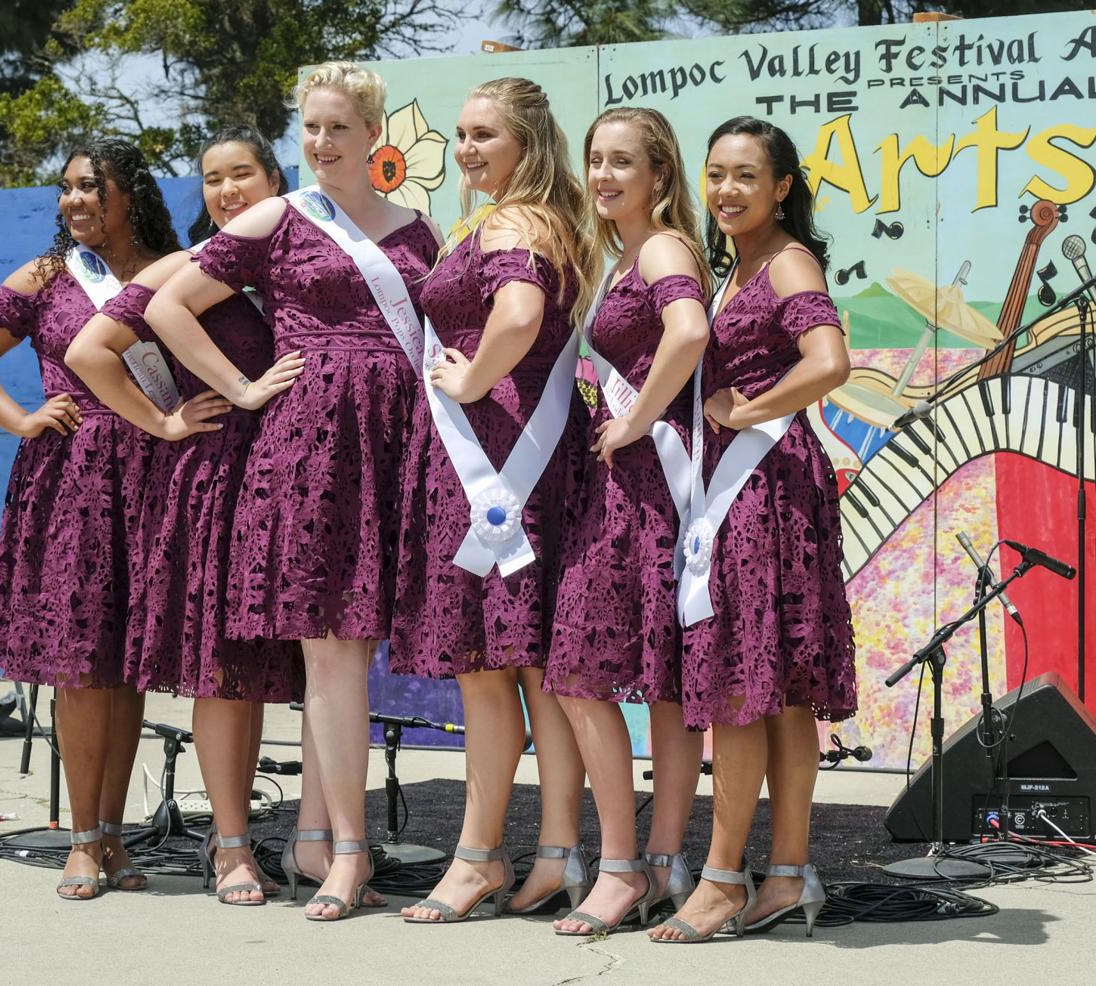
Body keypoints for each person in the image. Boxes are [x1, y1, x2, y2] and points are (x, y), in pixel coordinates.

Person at [145, 62, 441, 921]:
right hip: (310, 445)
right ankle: (349, 852)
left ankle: (315, 837)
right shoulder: (278, 217)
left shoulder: (420, 231)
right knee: (331, 652)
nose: (320, 143)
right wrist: (237, 390)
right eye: (309, 128)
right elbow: (169, 310)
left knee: (350, 655)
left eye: (337, 128)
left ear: (372, 133)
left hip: (395, 444)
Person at [65, 125, 307, 905]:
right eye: (212, 179)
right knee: (225, 665)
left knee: (289, 670)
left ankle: (316, 841)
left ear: (276, 179)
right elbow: (89, 353)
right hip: (219, 478)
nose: (228, 191)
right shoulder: (184, 268)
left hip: (295, 482)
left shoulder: (301, 264)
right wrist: (165, 423)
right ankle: (231, 847)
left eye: (242, 175)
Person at [0, 138, 179, 900]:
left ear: (130, 194)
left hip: (151, 475)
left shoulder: (170, 272)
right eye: (67, 189)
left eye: (90, 187)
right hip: (72, 480)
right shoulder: (48, 277)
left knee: (127, 664)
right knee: (82, 665)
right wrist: (20, 417)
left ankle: (115, 837)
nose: (73, 201)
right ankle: (81, 841)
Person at [392, 77, 595, 925]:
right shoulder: (533, 218)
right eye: (462, 135)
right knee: (536, 668)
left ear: (527, 144)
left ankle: (480, 857)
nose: (468, 149)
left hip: (501, 454)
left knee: (488, 669)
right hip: (518, 450)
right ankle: (554, 852)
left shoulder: (514, 221)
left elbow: (517, 311)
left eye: (486, 136)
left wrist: (473, 376)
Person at [650, 116, 857, 944]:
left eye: (746, 176)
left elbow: (831, 360)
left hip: (767, 487)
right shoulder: (737, 268)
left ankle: (722, 879)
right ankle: (786, 875)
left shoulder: (786, 261)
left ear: (782, 187)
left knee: (742, 685)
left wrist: (750, 409)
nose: (727, 190)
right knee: (775, 697)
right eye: (716, 174)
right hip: (757, 489)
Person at [544, 107, 713, 937]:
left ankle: (622, 866)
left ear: (659, 174)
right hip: (624, 484)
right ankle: (662, 861)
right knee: (655, 680)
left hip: (650, 482)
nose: (605, 176)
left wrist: (641, 416)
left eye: (622, 163)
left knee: (580, 671)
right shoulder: (622, 256)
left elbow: (689, 331)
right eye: (595, 161)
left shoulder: (662, 248)